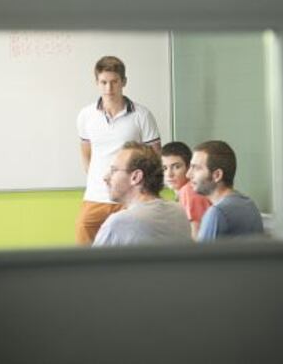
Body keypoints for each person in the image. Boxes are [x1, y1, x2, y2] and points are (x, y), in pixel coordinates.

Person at [76, 56, 161, 245]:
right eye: (103, 82)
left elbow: (155, 158)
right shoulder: (86, 115)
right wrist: (96, 177)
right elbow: (86, 152)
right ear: (97, 82)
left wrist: (141, 189)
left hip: (130, 197)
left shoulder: (142, 115)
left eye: (114, 82)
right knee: (83, 242)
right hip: (95, 195)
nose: (109, 88)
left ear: (123, 82)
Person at [93, 142, 191, 246]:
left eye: (114, 170)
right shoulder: (179, 211)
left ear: (136, 177)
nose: (106, 177)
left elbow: (93, 262)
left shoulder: (119, 222)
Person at [187, 140, 264, 241]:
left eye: (196, 168)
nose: (188, 175)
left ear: (217, 175)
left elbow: (201, 256)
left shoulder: (217, 213)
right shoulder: (249, 204)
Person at [161, 141, 211, 239]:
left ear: (189, 167)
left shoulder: (188, 191)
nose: (169, 174)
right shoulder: (183, 191)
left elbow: (196, 237)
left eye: (176, 167)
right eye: (164, 168)